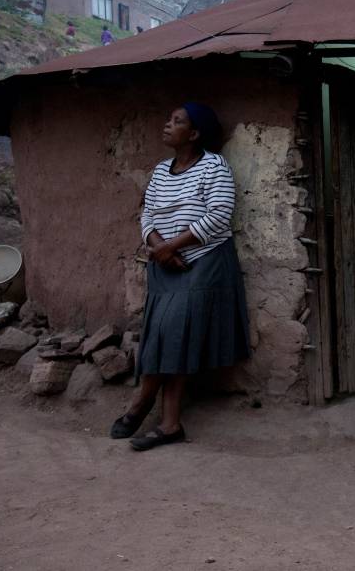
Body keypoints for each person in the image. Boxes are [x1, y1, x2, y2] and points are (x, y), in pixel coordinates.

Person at [110, 103, 251, 451]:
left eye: (177, 121)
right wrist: (160, 249)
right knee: (163, 334)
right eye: (168, 119)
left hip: (203, 262)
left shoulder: (214, 167)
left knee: (175, 332)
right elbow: (148, 215)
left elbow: (219, 215)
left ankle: (142, 404)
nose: (167, 125)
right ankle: (170, 423)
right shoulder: (161, 171)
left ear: (195, 133)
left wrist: (170, 247)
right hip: (166, 266)